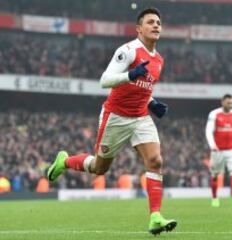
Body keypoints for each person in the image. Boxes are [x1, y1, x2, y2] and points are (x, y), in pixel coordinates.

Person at [47, 8, 177, 235]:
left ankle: (155, 216)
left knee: (155, 161)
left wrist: (152, 103)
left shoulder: (159, 60)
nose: (156, 25)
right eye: (150, 22)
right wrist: (129, 74)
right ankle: (65, 161)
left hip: (140, 117)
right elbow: (105, 80)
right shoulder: (127, 51)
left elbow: (141, 89)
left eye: (158, 22)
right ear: (139, 28)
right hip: (115, 116)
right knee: (99, 168)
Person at [205, 94, 232, 207]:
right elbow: (208, 131)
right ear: (222, 102)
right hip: (217, 151)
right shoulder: (214, 114)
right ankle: (215, 198)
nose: (230, 105)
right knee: (215, 175)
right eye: (228, 103)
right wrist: (212, 145)